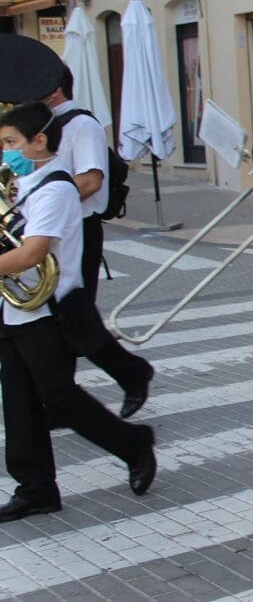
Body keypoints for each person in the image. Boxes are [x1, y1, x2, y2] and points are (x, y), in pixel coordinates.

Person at [0, 102, 156, 523]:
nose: (5, 151)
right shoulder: (20, 183)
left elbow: (32, 254)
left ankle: (133, 443)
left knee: (60, 400)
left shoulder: (55, 188)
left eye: (11, 143)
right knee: (18, 403)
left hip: (49, 311)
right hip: (14, 309)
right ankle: (35, 489)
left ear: (40, 141)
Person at [38, 68, 156, 419]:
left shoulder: (81, 125)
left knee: (73, 314)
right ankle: (63, 397)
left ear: (55, 88)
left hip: (79, 229)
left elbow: (90, 181)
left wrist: (47, 197)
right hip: (50, 228)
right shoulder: (39, 125)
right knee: (58, 317)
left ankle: (129, 372)